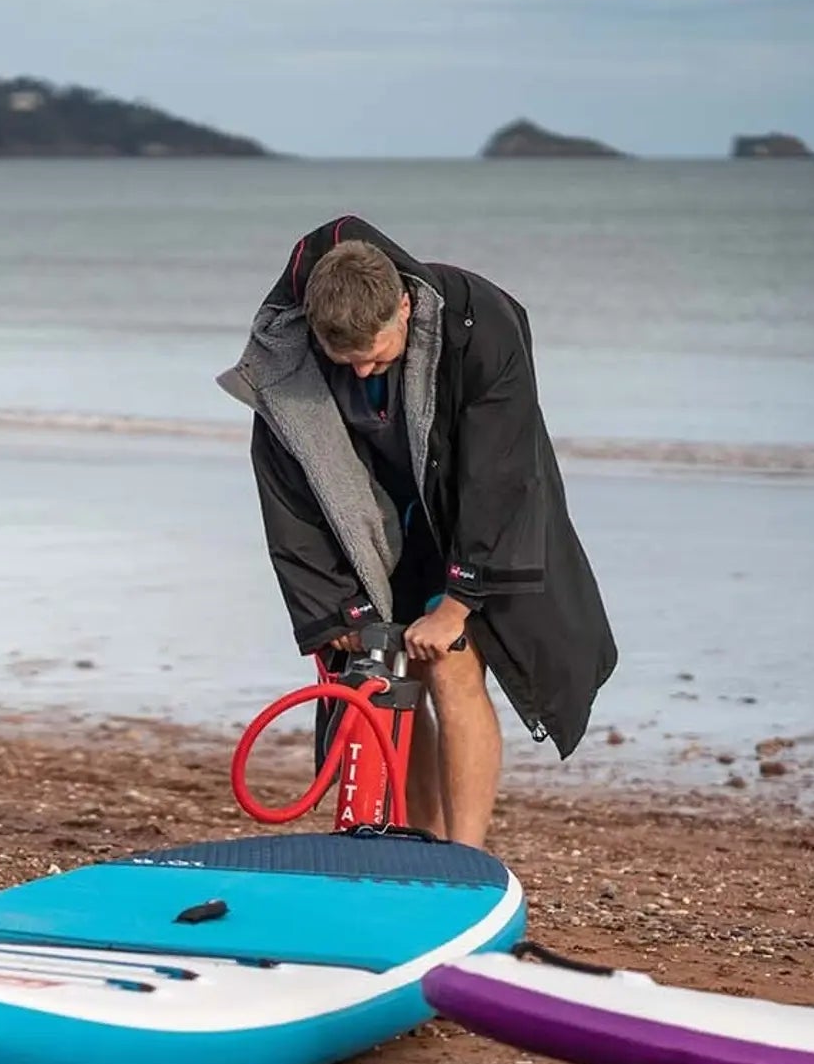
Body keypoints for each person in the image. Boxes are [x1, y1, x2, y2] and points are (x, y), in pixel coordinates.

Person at [217, 216, 616, 847]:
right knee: (388, 670)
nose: (368, 371)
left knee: (451, 664)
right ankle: (420, 839)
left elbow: (503, 473)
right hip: (376, 534)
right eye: (349, 362)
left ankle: (467, 854)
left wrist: (458, 603)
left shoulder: (480, 324)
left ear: (404, 305)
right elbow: (289, 498)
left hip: (468, 519)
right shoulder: (286, 361)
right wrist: (334, 608)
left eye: (379, 355)